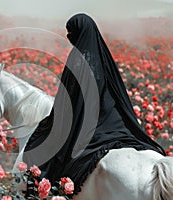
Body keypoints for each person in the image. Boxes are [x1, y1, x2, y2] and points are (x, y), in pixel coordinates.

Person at [23, 13, 166, 195]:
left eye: (71, 32)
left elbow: (68, 97)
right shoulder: (104, 57)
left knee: (47, 144)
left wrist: (56, 119)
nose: (69, 37)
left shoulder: (77, 59)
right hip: (112, 118)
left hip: (89, 123)